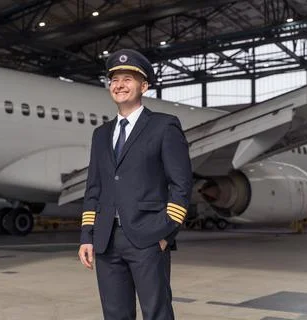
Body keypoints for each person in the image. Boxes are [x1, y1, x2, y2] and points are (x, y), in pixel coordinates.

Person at [78, 48, 193, 320]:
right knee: (115, 314)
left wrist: (165, 234)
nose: (119, 85)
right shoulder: (101, 134)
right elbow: (94, 188)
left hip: (148, 236)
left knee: (157, 313)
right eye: (114, 79)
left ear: (144, 86)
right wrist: (87, 236)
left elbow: (182, 184)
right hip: (106, 240)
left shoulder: (164, 126)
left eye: (128, 79)